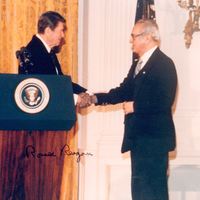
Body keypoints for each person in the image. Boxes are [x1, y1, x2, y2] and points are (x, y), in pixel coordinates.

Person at [90, 19, 177, 200]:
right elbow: (123, 91)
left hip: (154, 142)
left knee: (153, 193)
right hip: (139, 140)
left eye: (134, 36)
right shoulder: (138, 64)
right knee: (140, 193)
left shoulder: (164, 64)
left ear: (147, 37)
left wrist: (135, 106)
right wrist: (95, 98)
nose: (131, 41)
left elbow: (164, 100)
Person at [17, 11, 90, 106]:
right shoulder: (34, 52)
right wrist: (76, 98)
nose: (63, 35)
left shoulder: (47, 50)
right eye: (61, 30)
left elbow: (60, 81)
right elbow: (44, 88)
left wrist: (86, 92)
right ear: (48, 31)